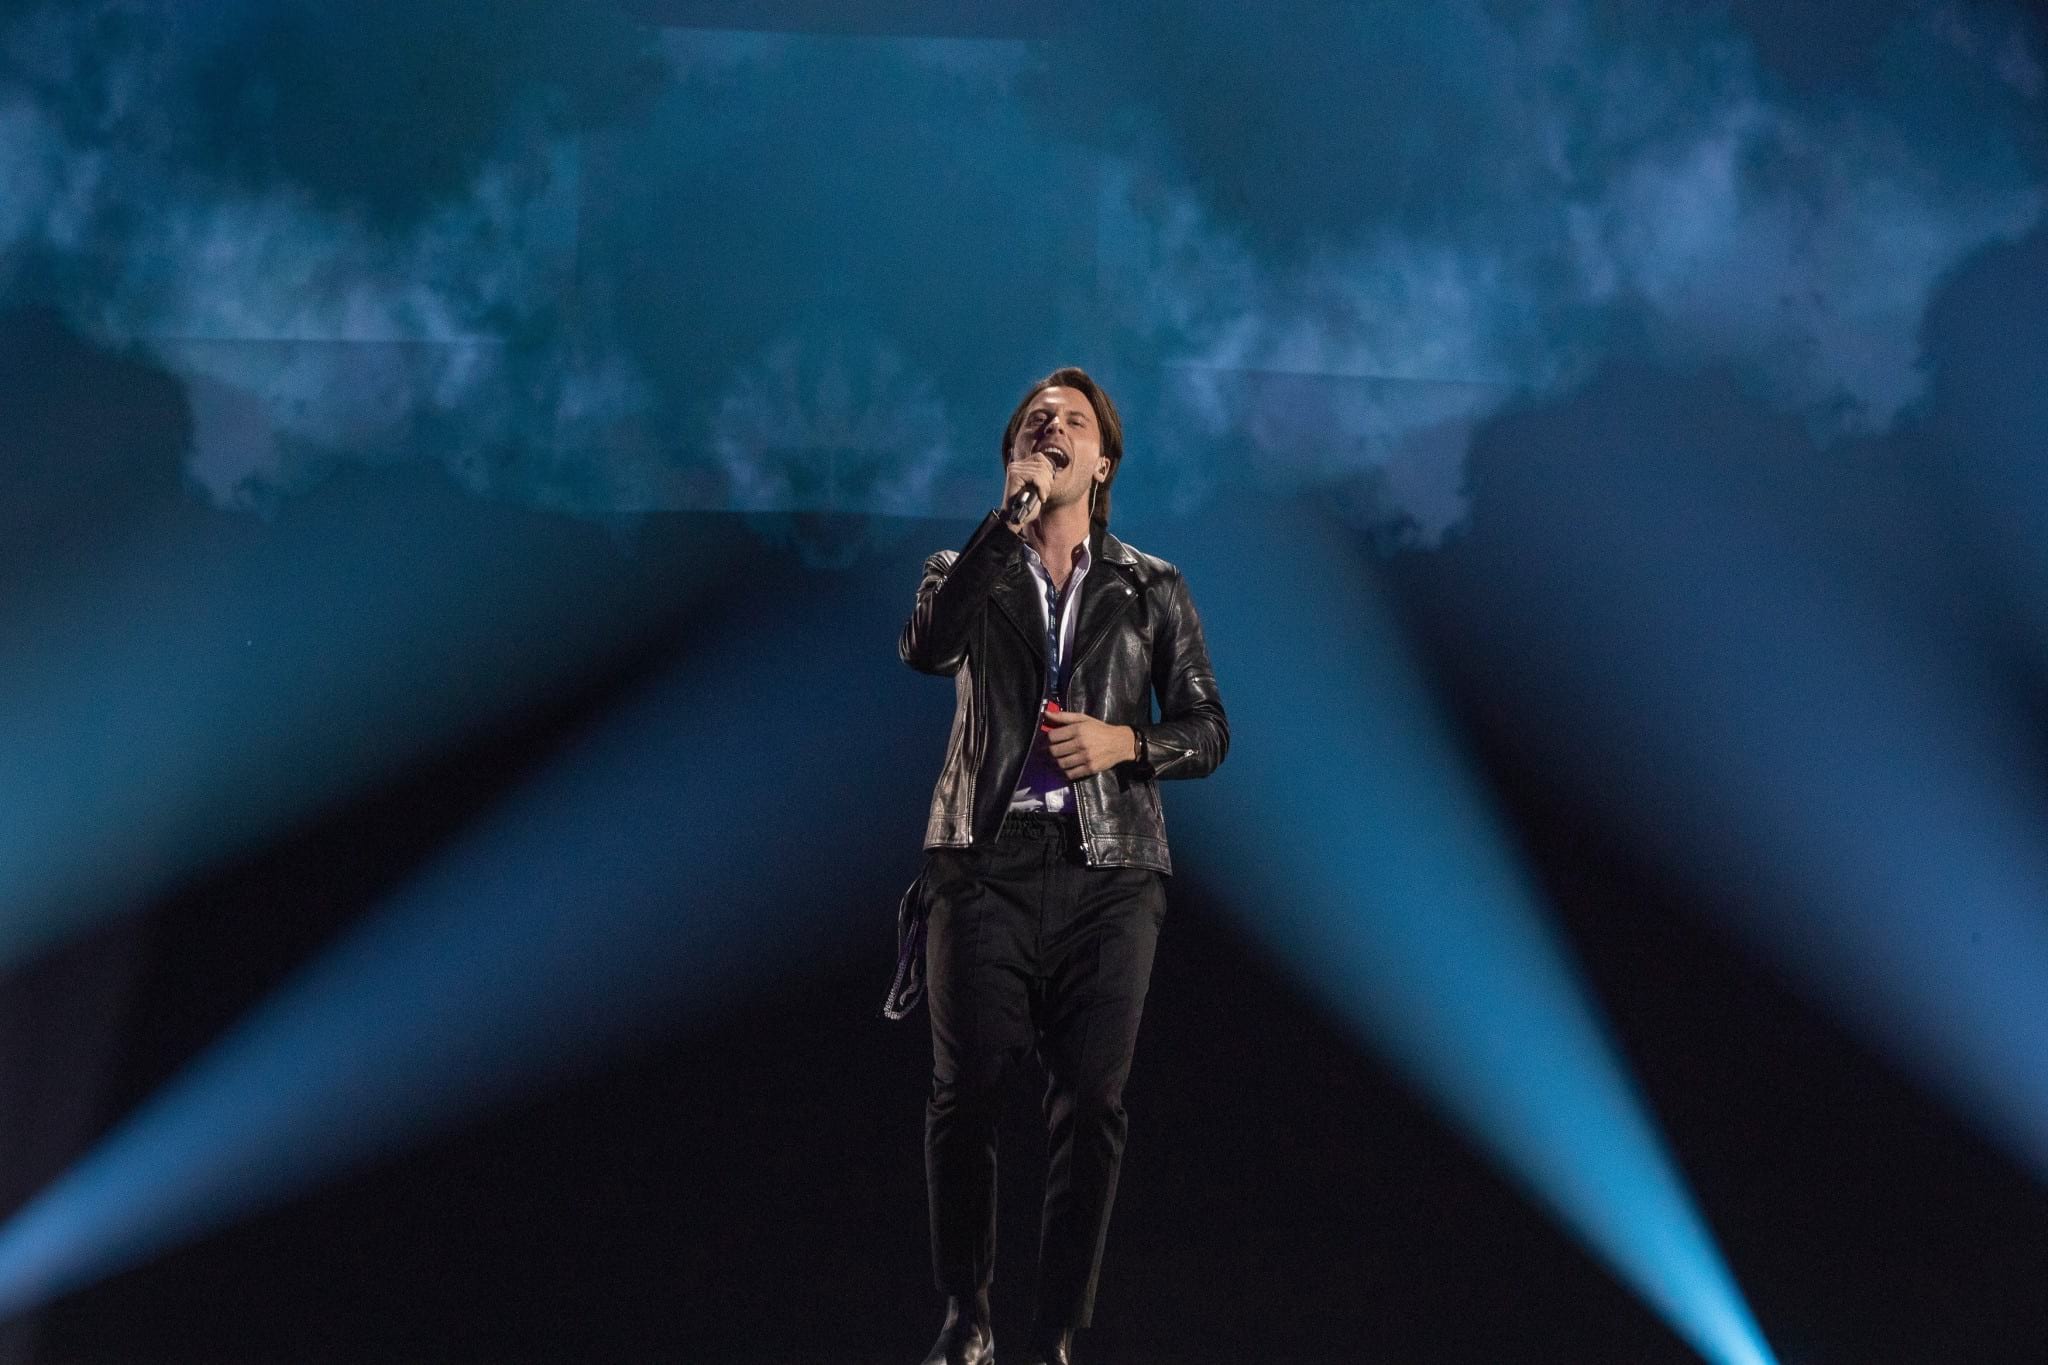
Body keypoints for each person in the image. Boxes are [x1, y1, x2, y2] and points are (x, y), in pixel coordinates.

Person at [897, 367, 1229, 1365]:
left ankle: (1054, 1336)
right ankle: (966, 1314)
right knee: (964, 1092)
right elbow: (928, 649)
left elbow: (1208, 728)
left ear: (1103, 462)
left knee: (1091, 1105)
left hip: (1109, 869)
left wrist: (1126, 743)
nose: (1051, 429)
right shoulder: (964, 568)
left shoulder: (1151, 586)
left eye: (1072, 421)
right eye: (1034, 422)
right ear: (1013, 457)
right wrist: (1005, 526)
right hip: (982, 862)